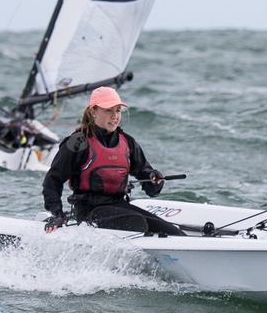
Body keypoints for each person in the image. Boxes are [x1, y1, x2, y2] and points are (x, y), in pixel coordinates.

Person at [42, 86, 185, 236]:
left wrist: (154, 180)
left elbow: (148, 182)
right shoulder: (78, 142)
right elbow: (52, 180)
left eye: (117, 110)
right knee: (136, 222)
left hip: (118, 206)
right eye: (108, 110)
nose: (114, 116)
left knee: (175, 233)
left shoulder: (127, 142)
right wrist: (57, 214)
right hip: (88, 210)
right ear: (93, 111)